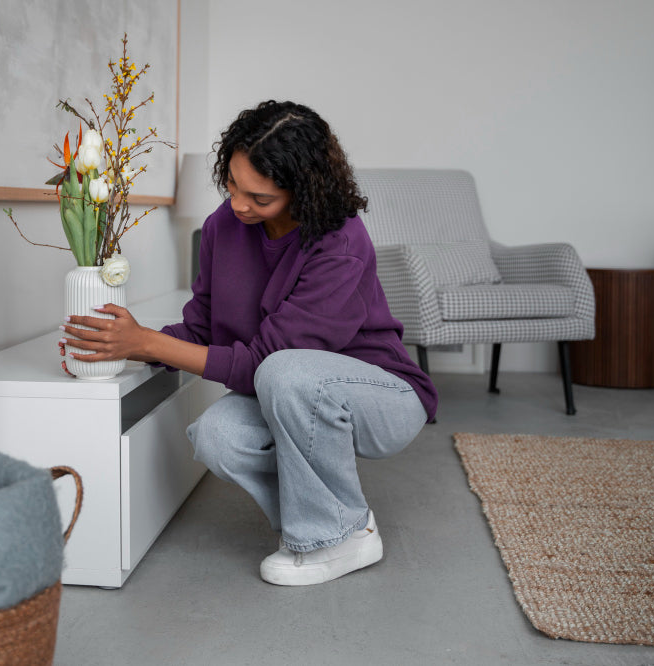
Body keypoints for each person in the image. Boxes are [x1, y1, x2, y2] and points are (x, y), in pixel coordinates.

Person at [58, 100, 438, 586]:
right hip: (289, 390)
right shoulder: (223, 226)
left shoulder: (340, 242)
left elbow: (265, 362)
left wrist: (148, 341)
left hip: (383, 394)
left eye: (259, 197)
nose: (239, 204)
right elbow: (201, 331)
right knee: (217, 436)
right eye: (232, 185)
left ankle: (332, 537)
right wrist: (114, 344)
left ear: (304, 190)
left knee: (283, 371)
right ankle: (346, 523)